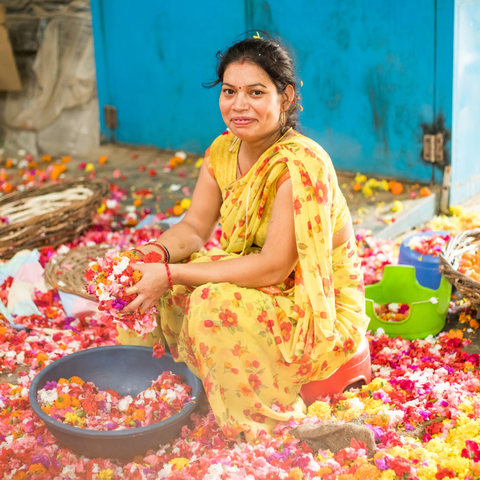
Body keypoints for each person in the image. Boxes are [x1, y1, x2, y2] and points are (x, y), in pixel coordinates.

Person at [120, 36, 369, 441]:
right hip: (259, 284)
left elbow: (274, 266)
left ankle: (267, 428)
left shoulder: (301, 165)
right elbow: (194, 229)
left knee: (209, 303)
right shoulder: (222, 152)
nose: (239, 105)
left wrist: (172, 274)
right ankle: (181, 389)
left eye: (256, 93)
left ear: (285, 97)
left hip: (313, 306)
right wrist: (152, 254)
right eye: (229, 91)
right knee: (149, 285)